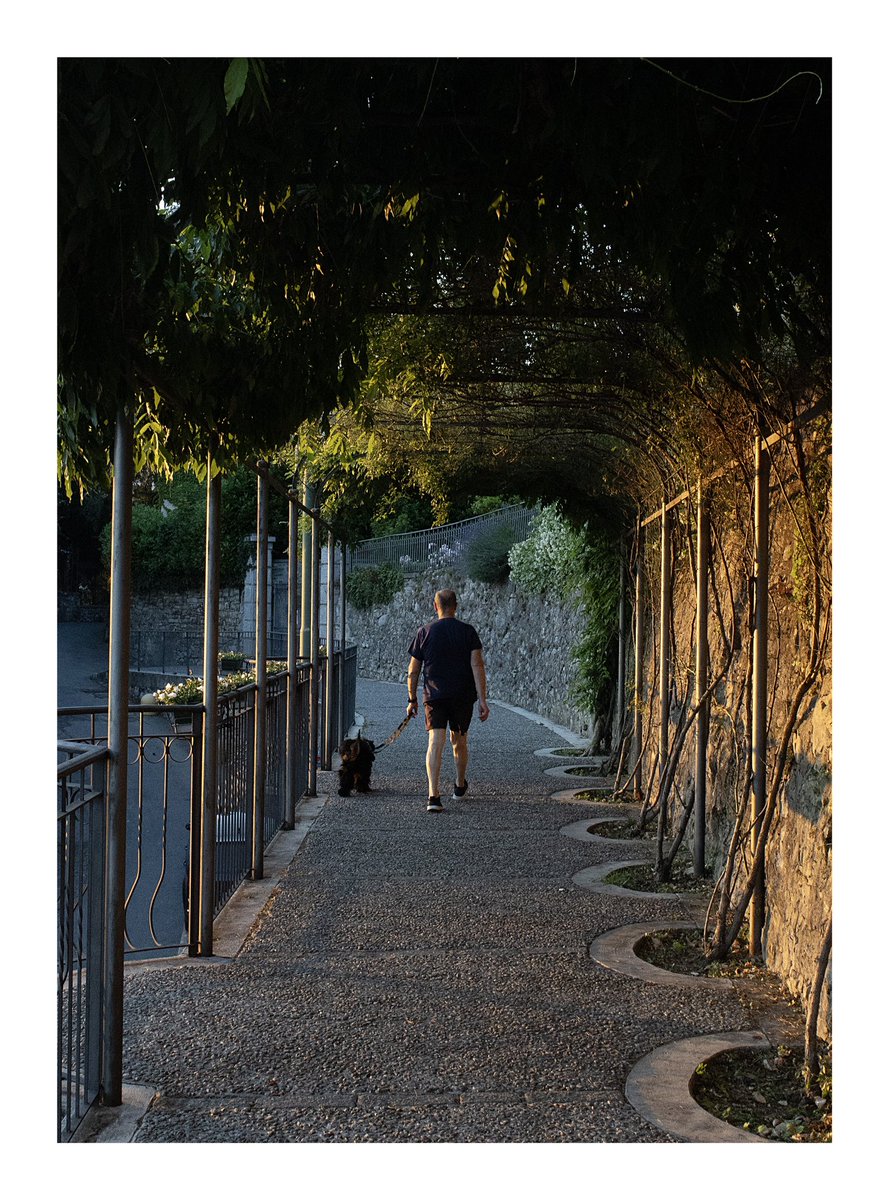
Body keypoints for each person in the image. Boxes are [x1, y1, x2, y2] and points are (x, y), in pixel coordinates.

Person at [406, 588, 490, 812]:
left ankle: (433, 796)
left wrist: (412, 698)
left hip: (434, 695)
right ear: (456, 606)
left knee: (435, 742)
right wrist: (483, 699)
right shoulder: (468, 632)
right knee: (459, 741)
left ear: (435, 606)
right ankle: (460, 786)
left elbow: (413, 671)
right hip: (462, 695)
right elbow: (477, 666)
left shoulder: (424, 632)